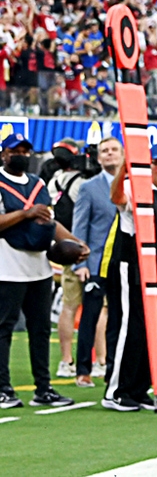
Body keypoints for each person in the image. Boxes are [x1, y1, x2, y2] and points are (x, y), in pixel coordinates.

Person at [0, 133, 84, 409]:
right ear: (3, 154)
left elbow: (50, 220)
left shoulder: (38, 184)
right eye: (16, 150)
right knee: (4, 329)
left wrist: (73, 242)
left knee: (40, 331)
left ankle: (44, 388)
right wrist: (26, 214)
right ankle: (3, 388)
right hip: (7, 265)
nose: (21, 154)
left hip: (39, 265)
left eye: (25, 150)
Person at [101, 144, 157, 412]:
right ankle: (116, 390)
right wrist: (127, 166)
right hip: (131, 269)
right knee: (128, 329)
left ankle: (139, 388)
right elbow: (117, 198)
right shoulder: (134, 187)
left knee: (150, 332)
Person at [70, 137, 122, 388]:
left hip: (124, 263)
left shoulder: (134, 184)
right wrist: (80, 263)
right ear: (99, 158)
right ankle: (83, 369)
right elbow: (80, 226)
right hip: (96, 263)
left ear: (123, 154)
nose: (110, 154)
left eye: (114, 150)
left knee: (119, 318)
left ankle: (114, 368)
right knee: (89, 317)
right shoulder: (89, 188)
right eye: (105, 151)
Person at [46, 140, 87, 379]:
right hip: (78, 245)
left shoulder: (53, 181)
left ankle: (65, 359)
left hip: (62, 246)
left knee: (68, 307)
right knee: (97, 308)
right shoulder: (81, 183)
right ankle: (98, 359)